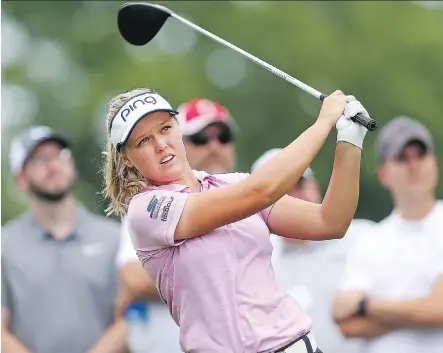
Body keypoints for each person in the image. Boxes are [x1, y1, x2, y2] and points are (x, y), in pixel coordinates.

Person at [101, 87, 370, 353]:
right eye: (143, 141)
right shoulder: (146, 210)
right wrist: (323, 123)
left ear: (177, 127)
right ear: (127, 158)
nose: (161, 145)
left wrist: (349, 141)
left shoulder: (234, 183)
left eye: (164, 129)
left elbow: (331, 222)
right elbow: (261, 190)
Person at [115, 97, 239, 353]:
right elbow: (134, 278)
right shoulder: (149, 204)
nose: (215, 146)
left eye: (223, 136)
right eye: (202, 138)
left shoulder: (244, 190)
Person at [1, 126, 126, 353]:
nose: (53, 164)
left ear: (72, 167)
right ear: (20, 178)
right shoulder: (4, 245)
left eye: (60, 155)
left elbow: (129, 317)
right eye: (39, 159)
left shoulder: (114, 237)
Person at [333, 116, 443, 353]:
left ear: (434, 162)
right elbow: (347, 324)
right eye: (401, 158)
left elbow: (439, 310)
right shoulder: (370, 240)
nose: (413, 165)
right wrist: (419, 310)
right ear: (383, 174)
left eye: (420, 155)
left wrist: (364, 305)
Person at [252, 149, 374, 353]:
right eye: (279, 190)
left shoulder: (365, 238)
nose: (291, 196)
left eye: (297, 184)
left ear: (314, 187)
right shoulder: (251, 262)